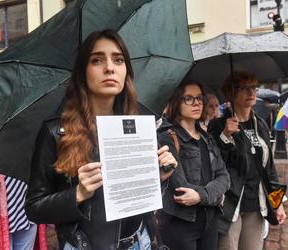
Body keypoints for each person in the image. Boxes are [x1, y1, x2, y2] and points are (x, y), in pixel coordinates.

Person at [25, 29, 177, 250]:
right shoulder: (56, 131)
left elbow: (142, 200)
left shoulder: (139, 125)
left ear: (126, 71)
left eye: (118, 59)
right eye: (97, 60)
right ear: (83, 73)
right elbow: (34, 207)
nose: (109, 67)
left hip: (141, 242)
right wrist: (77, 194)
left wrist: (159, 179)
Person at [207, 71, 287, 250]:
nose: (251, 92)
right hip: (229, 205)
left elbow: (269, 169)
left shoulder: (261, 125)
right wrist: (226, 136)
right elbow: (215, 163)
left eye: (253, 87)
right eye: (243, 88)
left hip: (256, 205)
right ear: (230, 93)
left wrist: (277, 203)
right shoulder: (218, 125)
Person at [156, 80, 230, 250]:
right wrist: (217, 196)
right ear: (176, 102)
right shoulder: (168, 137)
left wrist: (202, 196)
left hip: (210, 220)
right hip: (181, 223)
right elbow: (180, 188)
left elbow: (224, 177)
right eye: (188, 98)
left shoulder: (207, 137)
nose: (196, 103)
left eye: (199, 98)